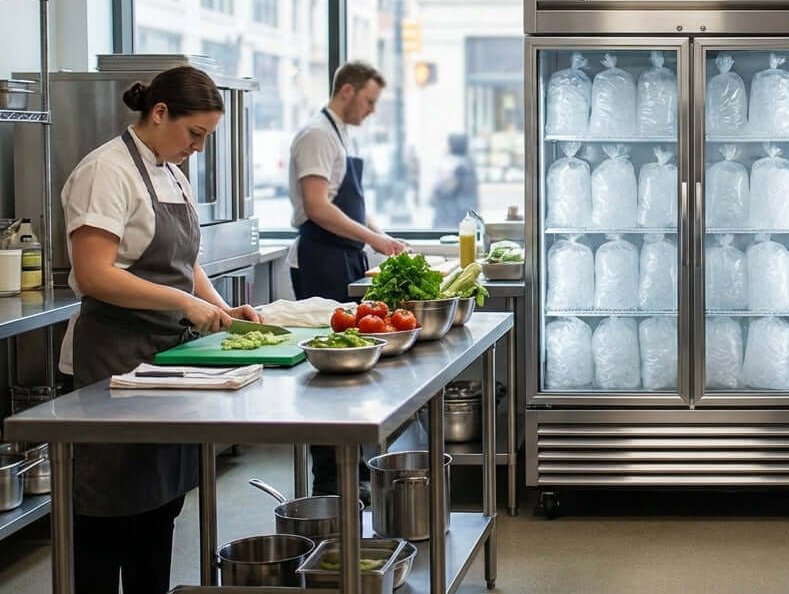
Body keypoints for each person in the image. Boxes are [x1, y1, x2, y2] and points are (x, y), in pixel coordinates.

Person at [60, 66, 262, 594]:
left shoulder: (172, 171)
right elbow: (93, 273)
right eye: (194, 134)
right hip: (110, 363)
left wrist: (221, 308)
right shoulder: (105, 171)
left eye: (206, 139)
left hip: (166, 361)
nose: (198, 148)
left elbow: (184, 261)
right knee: (109, 515)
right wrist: (184, 304)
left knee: (158, 509)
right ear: (158, 113)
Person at [288, 61, 405, 496]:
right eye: (369, 100)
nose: (372, 110)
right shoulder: (317, 134)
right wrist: (373, 237)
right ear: (347, 90)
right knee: (330, 371)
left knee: (351, 367)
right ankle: (330, 479)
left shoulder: (339, 134)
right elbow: (318, 207)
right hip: (320, 257)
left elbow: (349, 205)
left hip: (344, 256)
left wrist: (382, 240)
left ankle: (352, 470)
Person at [431, 133, 480, 229]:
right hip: (464, 217)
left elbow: (441, 191)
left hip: (452, 220)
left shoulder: (454, 166)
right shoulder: (468, 163)